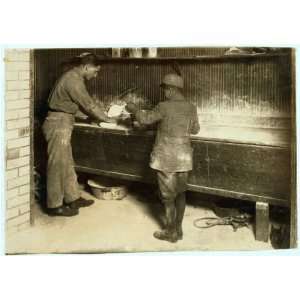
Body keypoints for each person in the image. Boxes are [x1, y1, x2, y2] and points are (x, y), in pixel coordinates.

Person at [126, 73, 200, 243]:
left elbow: (145, 119)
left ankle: (170, 232)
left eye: (165, 89)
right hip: (184, 156)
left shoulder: (163, 106)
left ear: (172, 89)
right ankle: (178, 229)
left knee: (167, 197)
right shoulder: (191, 107)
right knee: (180, 193)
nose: (164, 93)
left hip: (166, 156)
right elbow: (195, 130)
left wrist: (134, 109)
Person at [42, 52, 116, 217]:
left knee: (67, 162)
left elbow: (69, 106)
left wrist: (91, 118)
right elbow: (88, 105)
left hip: (62, 120)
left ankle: (72, 198)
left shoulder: (72, 77)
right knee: (57, 164)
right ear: (86, 67)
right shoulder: (74, 80)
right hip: (58, 123)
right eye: (95, 71)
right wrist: (107, 119)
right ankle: (54, 206)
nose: (95, 75)